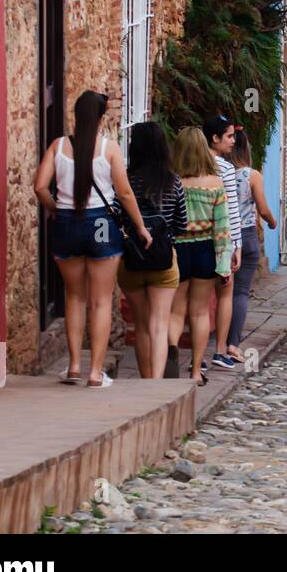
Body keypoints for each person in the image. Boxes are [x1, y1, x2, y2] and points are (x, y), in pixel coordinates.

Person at [34, 91, 152, 388]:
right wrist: (140, 227)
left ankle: (74, 366)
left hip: (67, 223)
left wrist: (53, 210)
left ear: (76, 115)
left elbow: (39, 187)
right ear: (101, 118)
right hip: (100, 223)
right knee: (100, 301)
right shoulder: (108, 149)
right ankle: (95, 372)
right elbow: (124, 193)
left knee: (75, 297)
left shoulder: (58, 146)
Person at [117, 122, 187, 379]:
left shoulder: (125, 181)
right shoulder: (173, 182)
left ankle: (146, 378)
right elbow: (182, 224)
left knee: (141, 324)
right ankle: (156, 383)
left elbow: (117, 216)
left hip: (131, 260)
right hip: (163, 261)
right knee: (159, 323)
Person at [167, 128, 231, 386]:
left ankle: (169, 364)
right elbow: (222, 228)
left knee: (175, 311)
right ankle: (196, 370)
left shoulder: (173, 182)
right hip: (205, 249)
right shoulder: (215, 184)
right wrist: (224, 264)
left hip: (178, 250)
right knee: (200, 312)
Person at [226, 129, 277, 364]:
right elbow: (263, 208)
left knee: (222, 291)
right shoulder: (251, 175)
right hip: (246, 236)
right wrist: (271, 221)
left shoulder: (220, 172)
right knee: (240, 292)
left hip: (223, 237)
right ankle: (232, 342)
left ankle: (220, 342)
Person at [204, 117, 243, 372]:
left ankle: (197, 360)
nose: (233, 141)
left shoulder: (190, 164)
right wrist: (237, 245)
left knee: (193, 301)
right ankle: (220, 350)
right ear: (215, 138)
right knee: (224, 294)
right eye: (229, 136)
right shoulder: (225, 170)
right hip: (221, 239)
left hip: (194, 238)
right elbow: (231, 211)